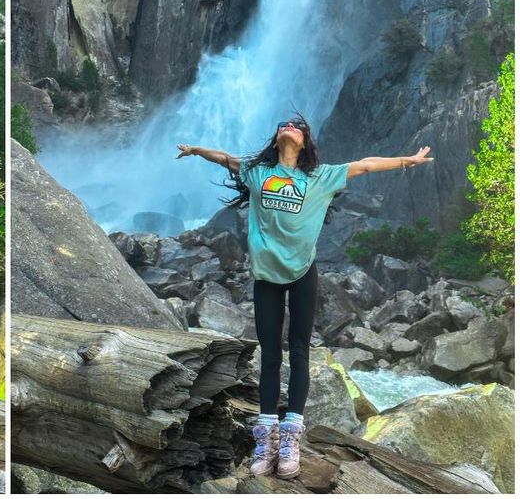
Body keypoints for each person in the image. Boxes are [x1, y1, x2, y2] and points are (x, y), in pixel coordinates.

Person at [176, 117, 432, 479]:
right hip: (266, 275)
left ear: (305, 140)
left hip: (302, 272)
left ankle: (290, 438)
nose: (289, 126)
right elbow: (225, 158)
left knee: (299, 350)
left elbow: (366, 164)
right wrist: (197, 150)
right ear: (278, 136)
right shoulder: (257, 172)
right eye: (284, 124)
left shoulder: (321, 177)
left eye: (297, 125)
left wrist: (408, 160)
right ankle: (265, 438)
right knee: (269, 354)